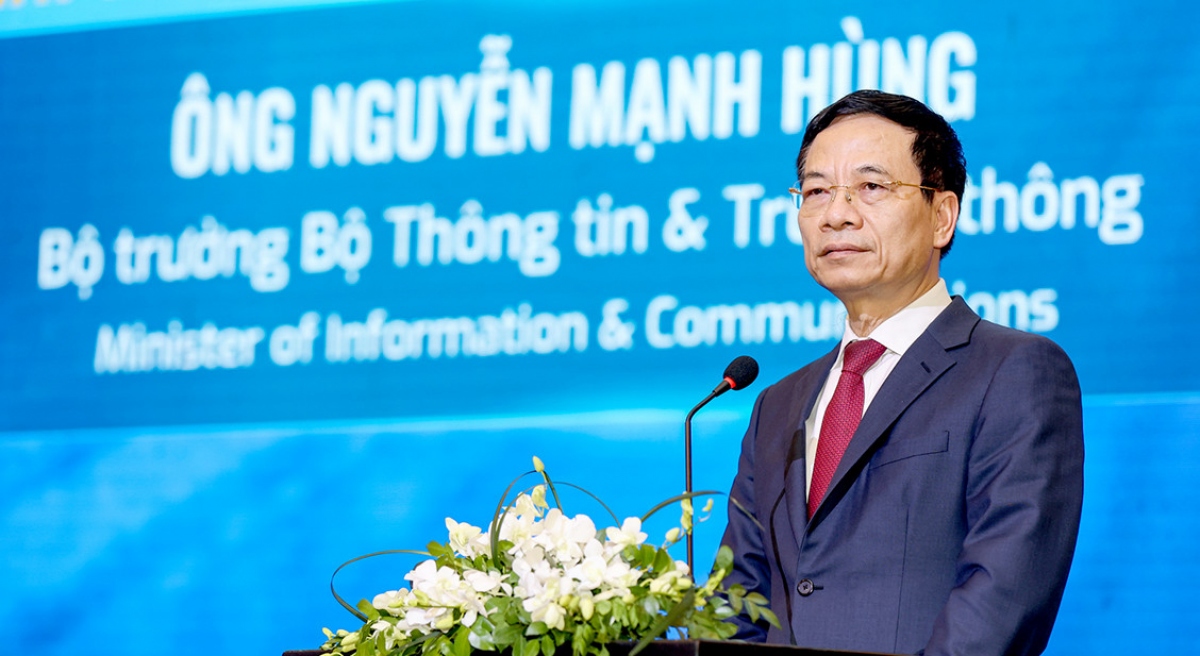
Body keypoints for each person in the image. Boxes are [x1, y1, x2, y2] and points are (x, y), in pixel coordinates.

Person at [718, 90, 1084, 656]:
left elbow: (1001, 603)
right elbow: (735, 607)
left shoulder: (1014, 372)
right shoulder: (776, 405)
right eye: (816, 191)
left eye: (870, 186)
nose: (836, 214)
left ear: (942, 216)